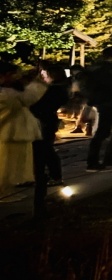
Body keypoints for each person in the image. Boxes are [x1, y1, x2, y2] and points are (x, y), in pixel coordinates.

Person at [0, 61, 46, 198]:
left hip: (11, 131)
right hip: (11, 132)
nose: (17, 77)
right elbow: (28, 98)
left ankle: (6, 190)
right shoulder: (7, 93)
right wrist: (39, 83)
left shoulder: (7, 91)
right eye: (15, 74)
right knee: (8, 164)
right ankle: (5, 191)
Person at [29, 61, 69, 188]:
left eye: (45, 74)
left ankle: (52, 176)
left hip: (44, 120)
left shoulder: (54, 89)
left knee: (44, 149)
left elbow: (41, 105)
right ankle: (45, 176)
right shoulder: (60, 88)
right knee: (43, 149)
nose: (43, 76)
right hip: (47, 120)